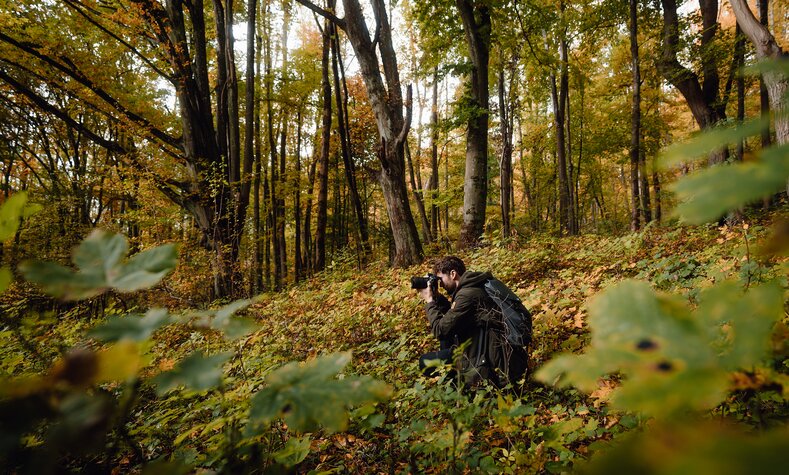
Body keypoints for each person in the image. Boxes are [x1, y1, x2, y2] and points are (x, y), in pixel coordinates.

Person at [417, 256, 528, 390]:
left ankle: (465, 388)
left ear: (453, 274)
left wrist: (429, 301)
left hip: (489, 359)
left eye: (441, 279)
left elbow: (441, 330)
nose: (440, 284)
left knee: (424, 362)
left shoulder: (467, 295)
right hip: (484, 349)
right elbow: (452, 318)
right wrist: (437, 297)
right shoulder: (473, 286)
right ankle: (461, 385)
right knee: (447, 340)